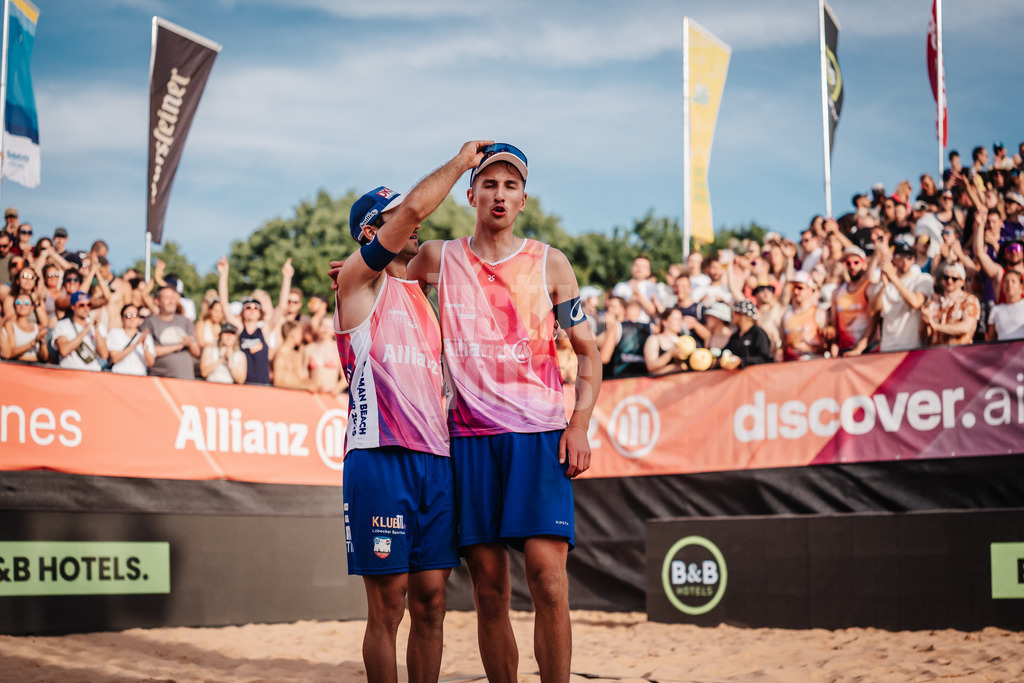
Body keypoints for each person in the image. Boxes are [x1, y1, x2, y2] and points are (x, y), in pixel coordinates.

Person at [407, 142, 602, 683]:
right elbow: (388, 254)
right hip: (468, 438)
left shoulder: (550, 262)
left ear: (523, 200)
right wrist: (354, 268)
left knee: (549, 580)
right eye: (489, 183)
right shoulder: (439, 258)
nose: (499, 193)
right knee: (490, 590)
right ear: (470, 194)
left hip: (538, 437)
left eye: (510, 185)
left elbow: (588, 353)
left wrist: (579, 425)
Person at [326, 142, 491, 683]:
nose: (411, 225)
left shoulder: (424, 293)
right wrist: (463, 162)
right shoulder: (355, 286)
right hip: (379, 457)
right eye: (394, 218)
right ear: (372, 234)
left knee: (432, 603)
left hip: (434, 462)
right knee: (388, 607)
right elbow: (418, 211)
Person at [871, 241, 934, 352]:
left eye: (909, 257)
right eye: (900, 256)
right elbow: (873, 311)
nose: (905, 260)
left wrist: (893, 278)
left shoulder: (923, 279)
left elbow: (915, 302)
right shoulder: (885, 285)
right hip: (888, 347)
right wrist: (884, 285)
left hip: (912, 347)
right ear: (894, 259)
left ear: (913, 260)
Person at [142, 284, 200, 379]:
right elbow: (148, 350)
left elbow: (197, 352)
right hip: (162, 382)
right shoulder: (149, 322)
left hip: (187, 380)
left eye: (173, 297)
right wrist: (178, 346)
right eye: (167, 298)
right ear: (157, 301)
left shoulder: (185, 321)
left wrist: (190, 344)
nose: (171, 301)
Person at [921, 262, 980, 346]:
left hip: (959, 355)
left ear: (962, 281)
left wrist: (936, 326)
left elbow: (966, 327)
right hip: (935, 355)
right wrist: (926, 323)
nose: (949, 281)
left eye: (954, 278)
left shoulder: (970, 300)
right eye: (946, 277)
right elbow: (924, 337)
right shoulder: (933, 303)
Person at [53, 291, 107, 371]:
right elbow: (64, 350)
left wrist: (96, 329)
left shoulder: (97, 325)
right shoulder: (62, 325)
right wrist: (85, 330)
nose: (86, 308)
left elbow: (104, 355)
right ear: (73, 307)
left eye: (88, 305)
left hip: (93, 372)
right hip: (70, 372)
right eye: (81, 305)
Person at [106, 304, 155, 376]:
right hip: (118, 375)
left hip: (139, 377)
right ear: (122, 318)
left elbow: (151, 362)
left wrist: (144, 346)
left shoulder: (146, 337)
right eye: (128, 316)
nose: (132, 319)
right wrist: (135, 344)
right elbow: (115, 359)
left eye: (135, 315)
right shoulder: (115, 333)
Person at [722, 300, 773, 368]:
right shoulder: (735, 336)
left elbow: (763, 358)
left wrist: (742, 362)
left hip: (757, 376)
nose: (732, 315)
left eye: (735, 313)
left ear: (742, 314)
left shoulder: (758, 333)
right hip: (738, 377)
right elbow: (726, 351)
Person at [1, 292, 49, 362]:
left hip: (35, 369)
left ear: (32, 307)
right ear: (14, 306)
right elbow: (10, 353)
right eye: (18, 302)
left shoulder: (38, 328)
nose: (22, 306)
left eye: (26, 303)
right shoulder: (10, 325)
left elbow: (44, 358)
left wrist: (42, 341)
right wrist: (33, 342)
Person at [643, 307, 689, 376]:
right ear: (665, 322)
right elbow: (651, 366)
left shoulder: (685, 340)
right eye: (676, 319)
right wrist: (670, 354)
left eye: (681, 319)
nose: (679, 322)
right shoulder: (654, 339)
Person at [272, 320, 317, 390]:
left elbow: (301, 378)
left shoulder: (296, 354)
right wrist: (304, 387)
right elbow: (277, 383)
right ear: (292, 334)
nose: (301, 336)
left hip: (296, 395)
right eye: (299, 333)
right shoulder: (280, 356)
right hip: (285, 396)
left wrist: (313, 385)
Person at [987, 271, 1024, 341]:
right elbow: (991, 339)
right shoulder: (996, 310)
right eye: (1006, 281)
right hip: (1002, 351)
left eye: (1013, 281)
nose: (1009, 284)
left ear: (1021, 286)